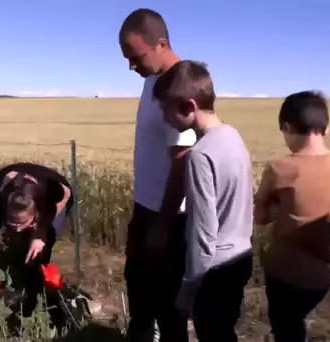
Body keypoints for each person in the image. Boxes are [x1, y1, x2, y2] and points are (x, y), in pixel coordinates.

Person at [152, 60, 255, 342]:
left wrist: (188, 288)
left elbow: (203, 231)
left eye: (165, 110)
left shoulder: (200, 154)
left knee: (212, 333)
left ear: (188, 106)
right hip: (241, 256)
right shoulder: (232, 135)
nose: (164, 119)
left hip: (214, 268)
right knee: (224, 332)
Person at [119, 8, 197, 342]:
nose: (131, 66)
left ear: (162, 43)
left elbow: (183, 163)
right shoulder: (152, 78)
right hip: (145, 209)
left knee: (169, 311)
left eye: (136, 57)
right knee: (139, 296)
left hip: (170, 218)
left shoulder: (180, 86)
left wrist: (162, 226)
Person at [254, 90, 330, 341]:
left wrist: (280, 210)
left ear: (287, 126)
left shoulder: (279, 168)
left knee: (286, 328)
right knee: (297, 323)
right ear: (326, 128)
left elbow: (260, 216)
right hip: (326, 272)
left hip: (285, 271)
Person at [0, 162, 73, 318]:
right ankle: (18, 277)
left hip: (53, 193)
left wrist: (41, 231)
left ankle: (37, 298)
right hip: (13, 186)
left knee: (42, 246)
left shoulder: (54, 192)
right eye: (11, 222)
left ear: (36, 214)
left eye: (22, 223)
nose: (16, 228)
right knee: (20, 240)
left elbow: (66, 193)